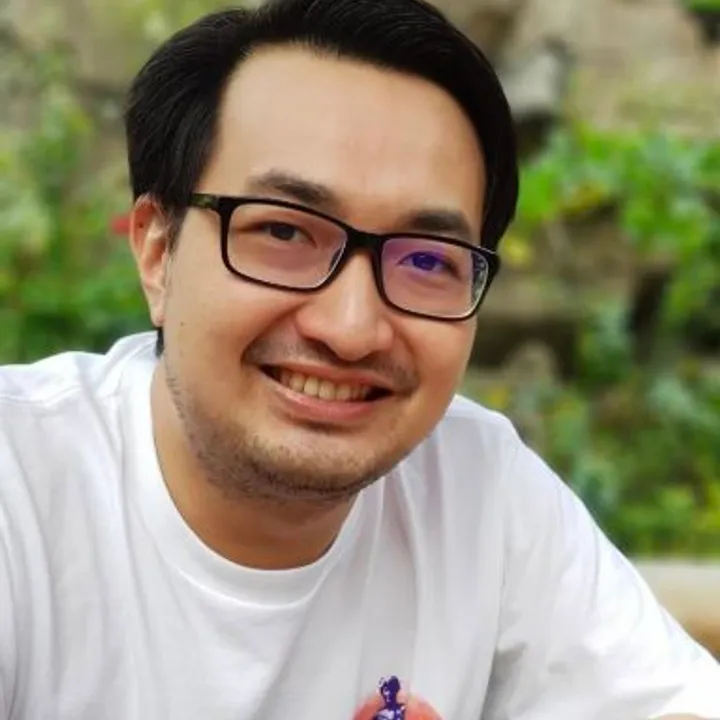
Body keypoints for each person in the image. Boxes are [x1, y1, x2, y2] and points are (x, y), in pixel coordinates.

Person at [0, 0, 718, 718]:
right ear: (159, 253)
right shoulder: (22, 488)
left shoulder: (476, 487)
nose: (350, 330)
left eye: (427, 260)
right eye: (284, 232)